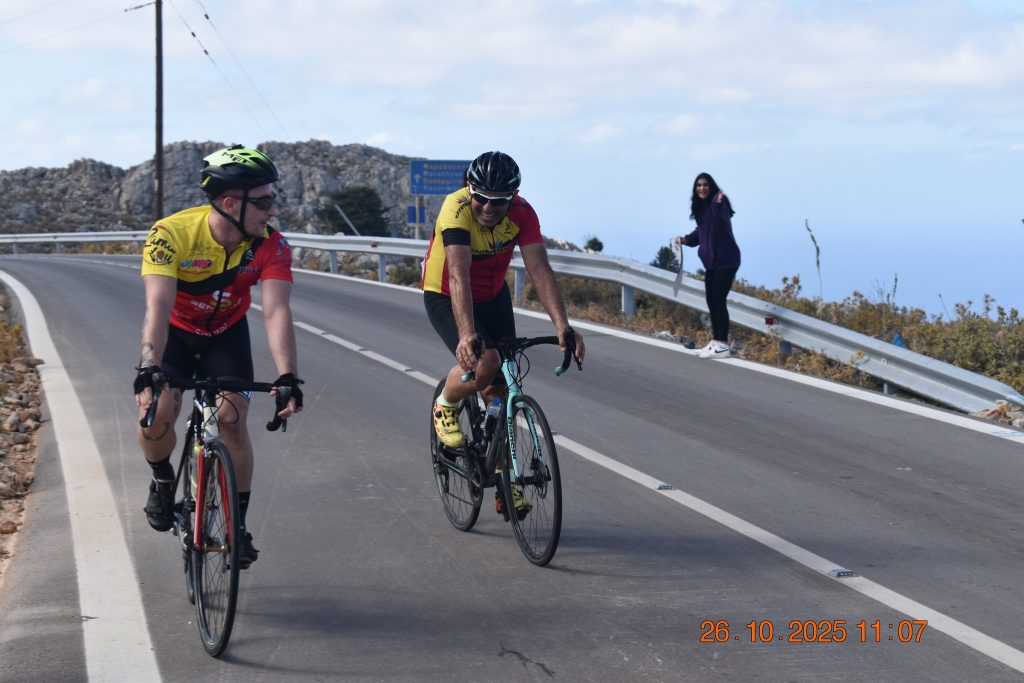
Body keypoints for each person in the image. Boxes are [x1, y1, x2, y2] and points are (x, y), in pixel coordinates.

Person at [133, 144, 304, 569]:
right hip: (176, 334)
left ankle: (237, 526)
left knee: (231, 420)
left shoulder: (271, 245)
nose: (272, 210)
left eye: (272, 199)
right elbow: (157, 305)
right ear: (230, 203)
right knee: (157, 415)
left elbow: (277, 311)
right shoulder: (171, 234)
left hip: (225, 334)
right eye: (263, 201)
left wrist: (287, 376)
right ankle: (162, 480)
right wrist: (150, 367)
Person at [422, 151, 585, 514]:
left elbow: (539, 269)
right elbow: (458, 275)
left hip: (493, 297)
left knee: (501, 396)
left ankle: (505, 483)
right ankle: (445, 406)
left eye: (498, 202)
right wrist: (467, 335)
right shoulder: (456, 209)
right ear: (470, 189)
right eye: (481, 198)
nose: (488, 208)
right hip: (446, 294)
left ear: (513, 198)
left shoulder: (523, 214)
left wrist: (562, 325)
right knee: (486, 361)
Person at [676, 172, 741, 359]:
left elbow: (722, 214)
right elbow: (701, 231)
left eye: (705, 185)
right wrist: (686, 239)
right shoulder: (702, 209)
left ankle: (723, 345)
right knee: (711, 301)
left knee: (718, 300)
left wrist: (720, 203)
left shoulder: (717, 203)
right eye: (699, 185)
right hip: (712, 263)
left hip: (726, 260)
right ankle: (716, 341)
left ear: (711, 186)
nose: (702, 188)